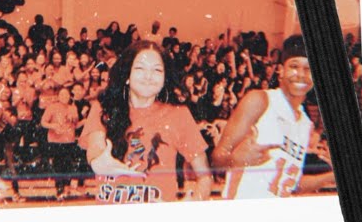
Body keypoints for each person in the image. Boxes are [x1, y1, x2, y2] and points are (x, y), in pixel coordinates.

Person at [79, 41, 212, 204]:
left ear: (165, 78)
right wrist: (99, 162)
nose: (148, 76)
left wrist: (194, 202)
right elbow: (95, 147)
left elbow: (204, 176)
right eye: (140, 68)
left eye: (157, 70)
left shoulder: (179, 114)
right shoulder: (103, 108)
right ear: (127, 74)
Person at [210, 36, 336, 199]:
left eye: (309, 69)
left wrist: (333, 176)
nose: (301, 74)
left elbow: (291, 184)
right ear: (281, 70)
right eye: (294, 66)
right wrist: (236, 159)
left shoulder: (305, 124)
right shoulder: (260, 100)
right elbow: (217, 158)